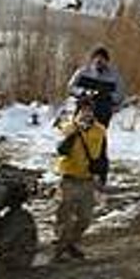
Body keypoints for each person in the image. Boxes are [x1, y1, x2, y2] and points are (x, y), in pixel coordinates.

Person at [51, 94, 108, 261]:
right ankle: (59, 251)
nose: (87, 113)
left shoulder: (100, 130)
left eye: (89, 110)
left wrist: (102, 178)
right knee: (64, 217)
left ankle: (71, 243)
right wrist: (73, 133)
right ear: (78, 111)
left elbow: (103, 156)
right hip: (68, 179)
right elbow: (61, 150)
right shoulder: (69, 128)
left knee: (85, 219)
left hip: (87, 180)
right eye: (83, 110)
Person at [66, 45, 128, 123]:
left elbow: (120, 94)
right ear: (92, 59)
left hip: (103, 111)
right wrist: (83, 92)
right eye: (96, 57)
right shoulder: (83, 72)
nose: (99, 60)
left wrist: (107, 96)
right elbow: (71, 87)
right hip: (81, 108)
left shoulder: (114, 76)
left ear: (107, 60)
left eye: (102, 58)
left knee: (97, 131)